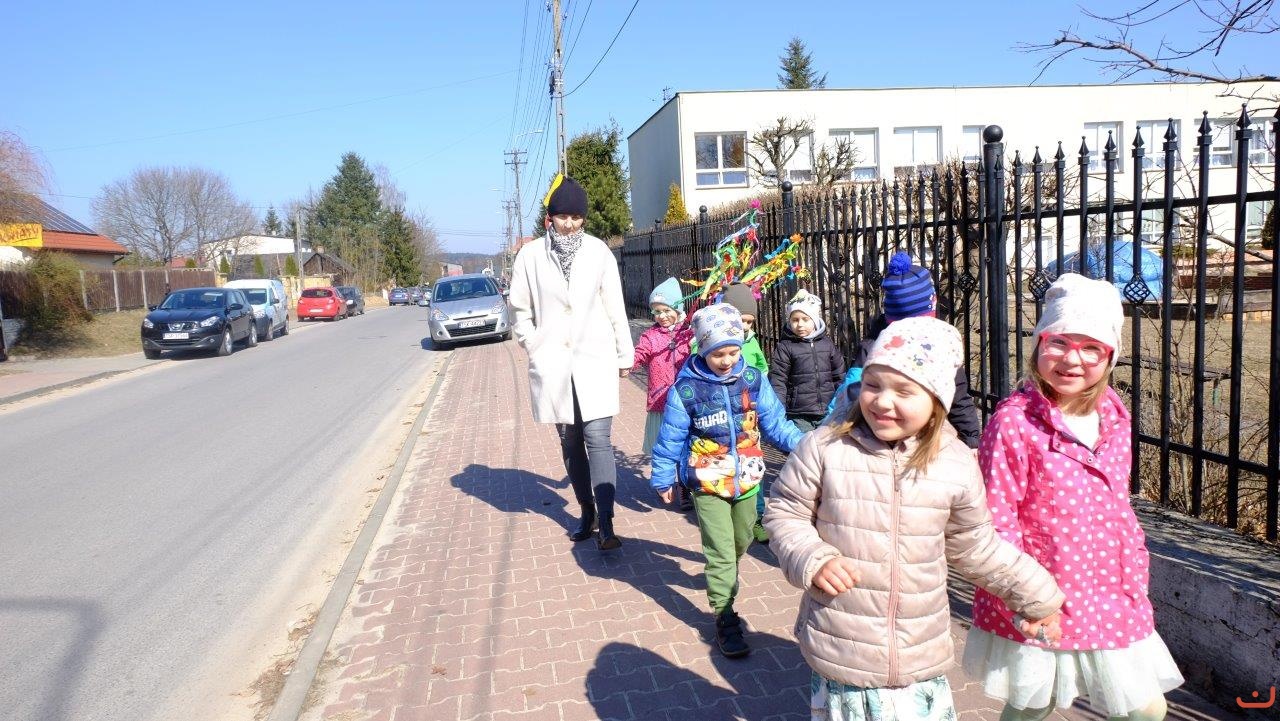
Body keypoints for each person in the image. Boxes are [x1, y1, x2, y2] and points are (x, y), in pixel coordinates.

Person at [765, 315, 1066, 720]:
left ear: (936, 401)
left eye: (904, 391)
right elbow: (785, 512)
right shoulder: (825, 447)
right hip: (844, 645)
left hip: (918, 655)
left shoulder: (955, 463)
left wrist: (1038, 596)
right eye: (873, 385)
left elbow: (977, 546)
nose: (882, 401)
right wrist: (812, 557)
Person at [962, 273, 1184, 721]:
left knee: (1145, 709)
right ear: (1039, 345)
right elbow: (997, 519)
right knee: (1033, 703)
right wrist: (1024, 597)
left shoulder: (1114, 417)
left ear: (1110, 356)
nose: (1072, 359)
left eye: (1091, 348)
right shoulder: (1014, 423)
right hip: (1045, 594)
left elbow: (1117, 505)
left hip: (1112, 592)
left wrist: (1134, 564)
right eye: (1059, 342)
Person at [649, 303, 803, 658]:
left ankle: (725, 573)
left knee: (742, 539)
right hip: (707, 481)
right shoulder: (687, 390)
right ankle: (724, 614)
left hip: (747, 477)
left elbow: (776, 423)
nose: (728, 360)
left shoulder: (753, 379)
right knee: (720, 552)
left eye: (733, 351)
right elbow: (670, 436)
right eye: (719, 353)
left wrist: (806, 445)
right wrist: (663, 476)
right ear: (703, 349)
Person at [508, 174, 635, 551]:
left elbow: (615, 306)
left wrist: (624, 352)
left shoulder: (599, 252)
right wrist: (533, 344)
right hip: (553, 362)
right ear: (550, 217)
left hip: (595, 358)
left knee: (598, 438)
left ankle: (607, 521)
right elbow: (519, 309)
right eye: (563, 216)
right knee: (570, 440)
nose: (570, 224)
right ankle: (587, 512)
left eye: (577, 217)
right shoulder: (530, 256)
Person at [825, 252, 981, 448]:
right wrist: (971, 440)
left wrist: (829, 427)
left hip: (868, 441)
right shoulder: (939, 348)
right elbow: (959, 401)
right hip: (923, 442)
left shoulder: (871, 345)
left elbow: (847, 395)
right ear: (932, 304)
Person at [632, 276, 694, 510]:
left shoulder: (689, 334)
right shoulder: (651, 336)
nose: (662, 316)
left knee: (687, 447)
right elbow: (640, 353)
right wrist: (627, 364)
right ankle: (665, 483)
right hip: (661, 402)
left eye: (667, 310)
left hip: (687, 402)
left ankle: (685, 489)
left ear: (678, 309)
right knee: (665, 446)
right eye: (657, 311)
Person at [770, 288, 846, 433]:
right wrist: (779, 411)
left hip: (827, 409)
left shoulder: (827, 344)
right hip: (799, 413)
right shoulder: (785, 347)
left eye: (805, 319)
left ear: (815, 320)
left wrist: (841, 401)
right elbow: (778, 381)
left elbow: (839, 375)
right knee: (804, 444)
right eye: (795, 320)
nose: (800, 324)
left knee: (826, 443)